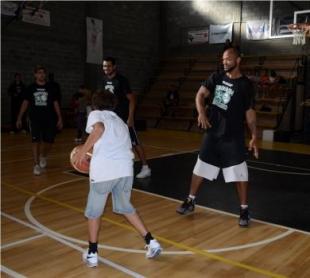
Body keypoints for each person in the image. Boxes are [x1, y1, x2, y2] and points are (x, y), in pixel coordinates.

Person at [72, 91, 162, 267]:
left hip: (105, 171)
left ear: (95, 105)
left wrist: (83, 151)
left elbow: (98, 129)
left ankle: (92, 254)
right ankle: (151, 242)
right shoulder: (120, 121)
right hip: (125, 170)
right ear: (113, 104)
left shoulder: (96, 114)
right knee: (125, 208)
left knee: (93, 213)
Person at [176, 47, 259, 227]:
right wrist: (201, 113)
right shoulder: (216, 77)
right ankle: (190, 201)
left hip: (233, 136)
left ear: (238, 61)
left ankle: (244, 209)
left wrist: (254, 135)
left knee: (240, 174)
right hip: (213, 133)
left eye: (228, 59)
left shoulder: (246, 85)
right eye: (223, 59)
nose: (225, 62)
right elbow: (200, 95)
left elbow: (250, 113)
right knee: (200, 167)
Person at [101, 57, 151, 179]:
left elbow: (132, 99)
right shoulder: (102, 80)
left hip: (123, 118)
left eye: (108, 66)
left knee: (134, 141)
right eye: (104, 66)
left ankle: (145, 167)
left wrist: (130, 117)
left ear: (114, 67)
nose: (106, 68)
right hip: (109, 118)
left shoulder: (122, 80)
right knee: (111, 141)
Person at [16, 65, 63, 176]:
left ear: (45, 74)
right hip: (35, 119)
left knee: (49, 141)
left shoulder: (51, 88)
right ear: (35, 75)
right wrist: (19, 117)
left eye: (43, 72)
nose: (41, 74)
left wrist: (60, 117)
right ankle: (36, 165)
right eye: (39, 72)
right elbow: (25, 103)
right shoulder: (31, 88)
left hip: (49, 119)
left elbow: (55, 103)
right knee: (35, 141)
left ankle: (43, 156)